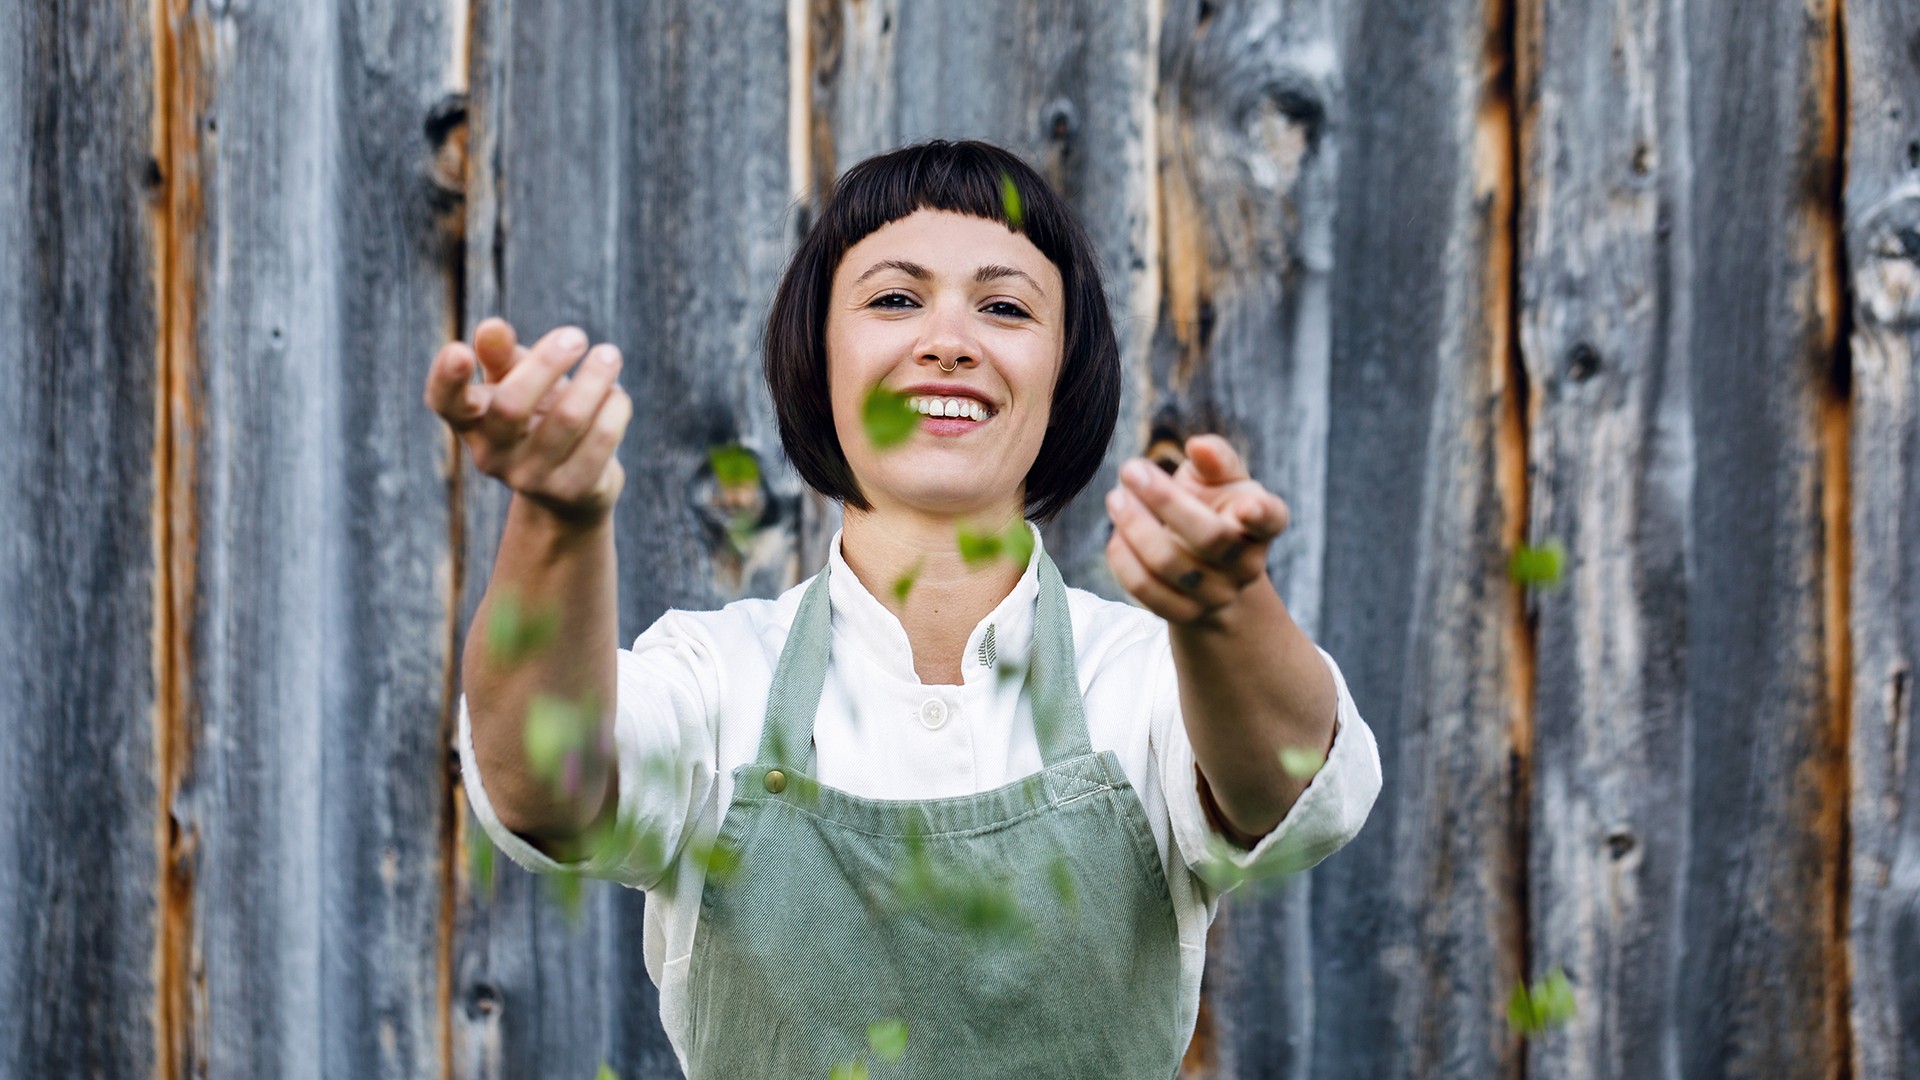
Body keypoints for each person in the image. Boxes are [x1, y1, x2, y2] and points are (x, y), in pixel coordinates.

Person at [423, 139, 1381, 1078]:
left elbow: (1287, 792)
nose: (949, 342)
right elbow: (545, 787)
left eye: (1005, 307)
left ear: (1064, 373)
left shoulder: (1145, 676)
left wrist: (1225, 614)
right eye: (893, 299)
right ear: (820, 355)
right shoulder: (716, 677)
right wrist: (556, 518)